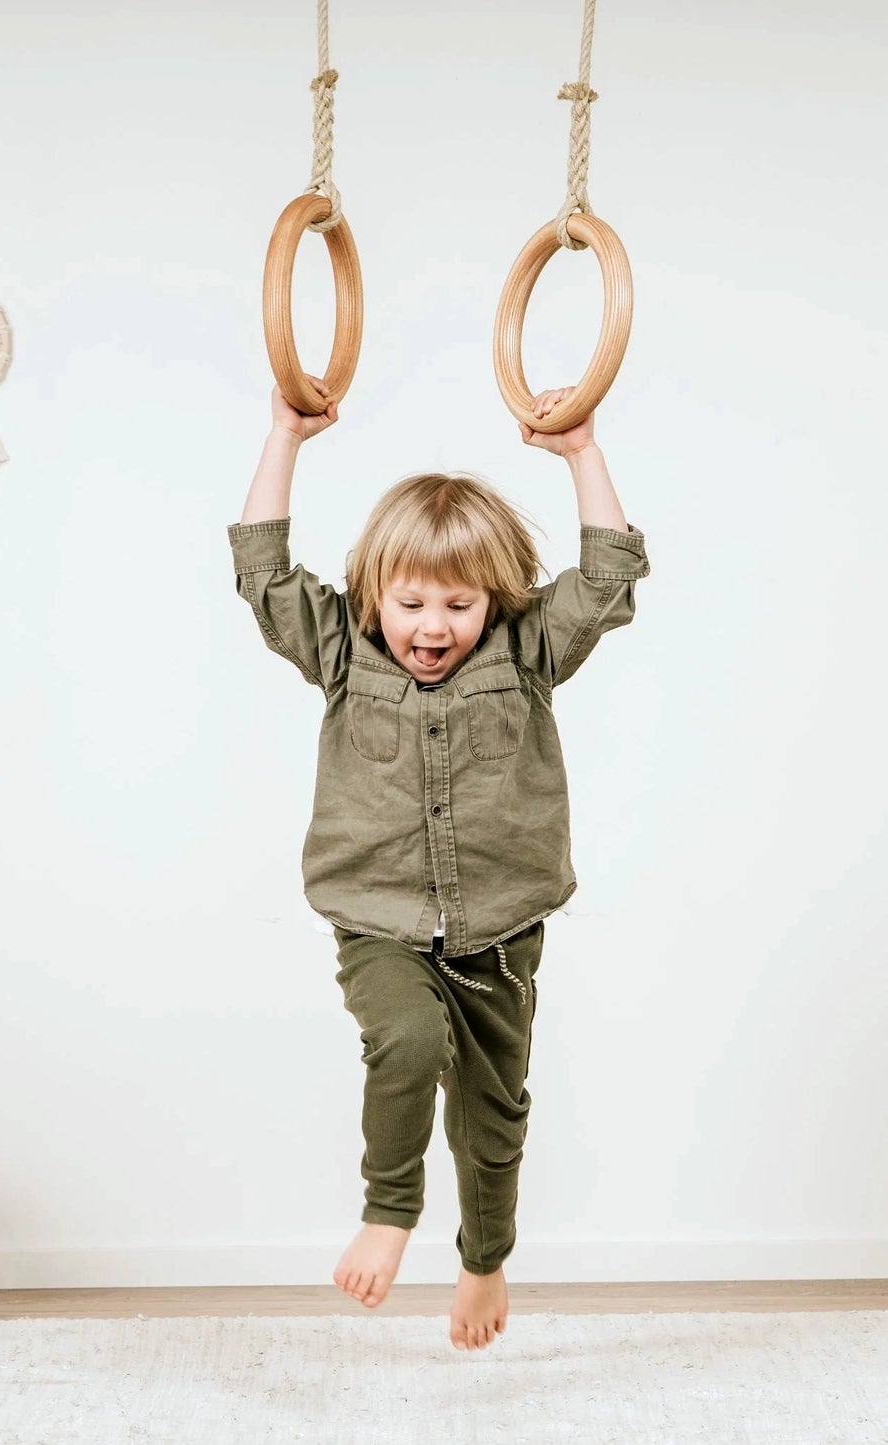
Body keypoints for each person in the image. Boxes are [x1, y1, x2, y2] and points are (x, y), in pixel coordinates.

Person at [228, 377, 649, 1350]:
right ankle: (388, 1207)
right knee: (408, 1043)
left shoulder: (526, 649)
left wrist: (581, 450)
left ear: (491, 601)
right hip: (377, 920)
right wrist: (285, 436)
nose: (430, 623)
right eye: (409, 599)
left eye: (456, 603)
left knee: (494, 1113)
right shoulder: (340, 649)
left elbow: (604, 579)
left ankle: (483, 1254)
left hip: (499, 929)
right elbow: (261, 571)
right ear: (372, 593)